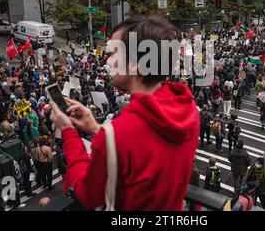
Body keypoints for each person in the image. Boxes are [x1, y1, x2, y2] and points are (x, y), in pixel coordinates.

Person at [49, 15, 200, 210]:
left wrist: (68, 131)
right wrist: (97, 128)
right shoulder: (187, 110)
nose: (108, 61)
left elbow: (87, 194)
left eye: (114, 54)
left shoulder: (119, 135)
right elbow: (145, 149)